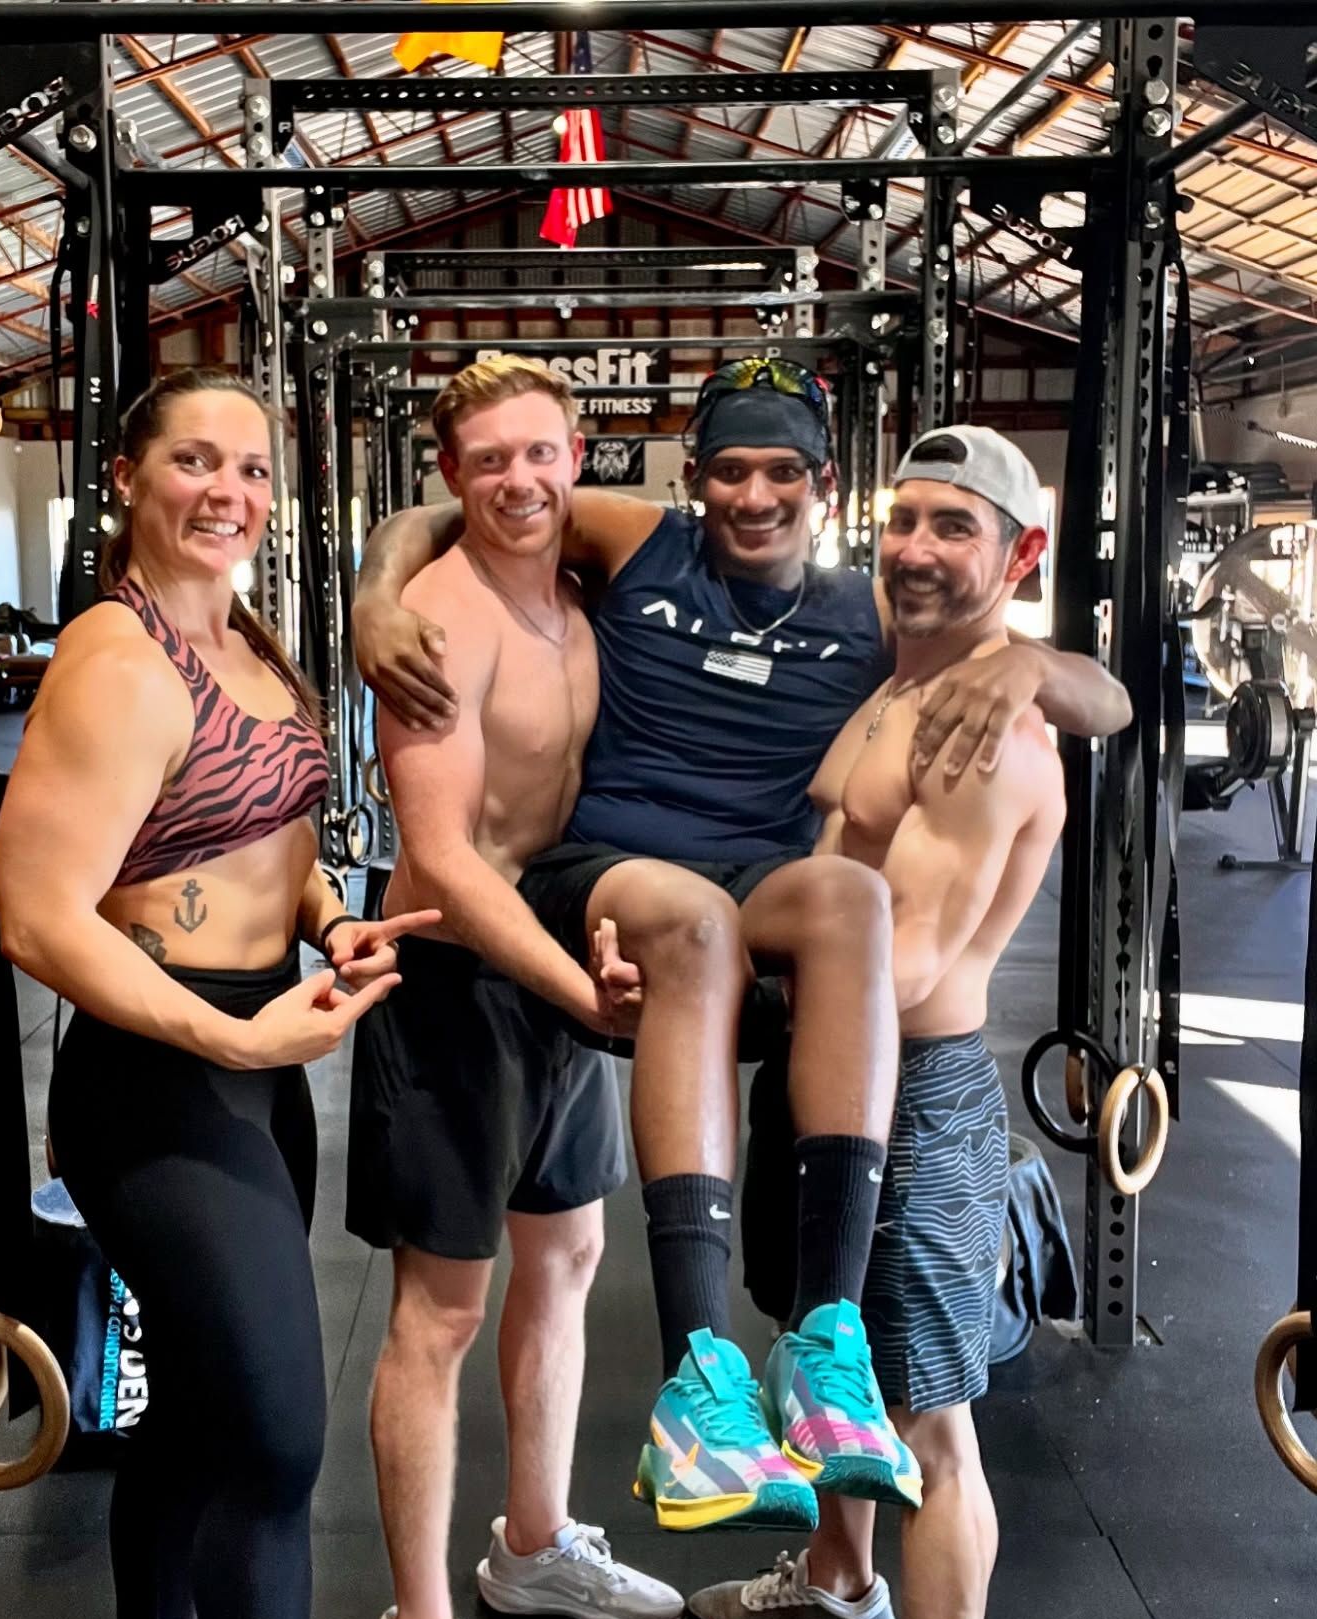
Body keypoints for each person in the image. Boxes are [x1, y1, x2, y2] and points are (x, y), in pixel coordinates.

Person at [353, 361, 1130, 1538]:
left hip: (751, 890)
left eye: (781, 472)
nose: (752, 494)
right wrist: (371, 596)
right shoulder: (640, 542)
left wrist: (1029, 657)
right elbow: (451, 503)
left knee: (846, 904)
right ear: (693, 477)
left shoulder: (865, 610)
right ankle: (699, 1377)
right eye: (727, 469)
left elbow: (1105, 699)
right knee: (698, 927)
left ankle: (824, 1343)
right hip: (604, 875)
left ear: (823, 487)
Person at [0, 369, 433, 1619]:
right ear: (126, 475)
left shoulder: (248, 639)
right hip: (162, 1079)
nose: (230, 494)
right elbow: (40, 917)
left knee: (200, 1400)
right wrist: (235, 1037)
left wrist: (327, 919)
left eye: (250, 470)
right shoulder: (115, 662)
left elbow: (278, 846)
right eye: (196, 461)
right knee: (274, 1438)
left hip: (260, 1055)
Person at [687, 426, 1071, 1619]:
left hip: (911, 1099)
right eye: (902, 520)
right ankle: (844, 1578)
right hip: (823, 1085)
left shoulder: (985, 735)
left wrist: (696, 961)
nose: (914, 549)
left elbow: (896, 973)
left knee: (929, 1419)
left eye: (952, 528)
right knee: (820, 1352)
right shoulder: (897, 689)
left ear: (1019, 554)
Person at [351, 356, 682, 1619]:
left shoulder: (589, 576)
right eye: (486, 460)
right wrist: (587, 1001)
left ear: (579, 452)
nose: (521, 482)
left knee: (570, 1255)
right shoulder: (436, 623)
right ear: (451, 471)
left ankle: (533, 1547)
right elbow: (434, 861)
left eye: (541, 453)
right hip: (457, 975)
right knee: (444, 1304)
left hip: (561, 961)